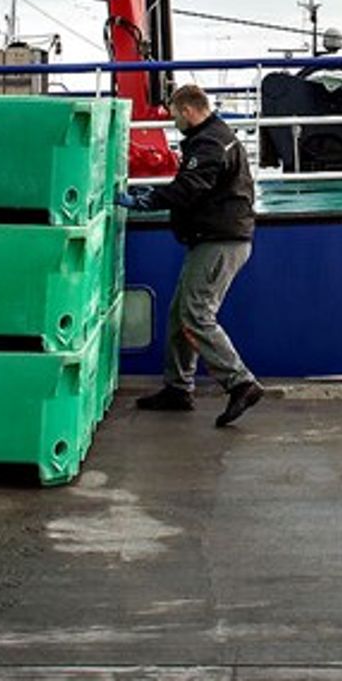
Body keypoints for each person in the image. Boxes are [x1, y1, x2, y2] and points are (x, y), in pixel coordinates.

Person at [125, 83, 266, 426]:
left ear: (188, 110)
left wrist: (147, 200)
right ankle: (177, 388)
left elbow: (192, 186)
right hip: (214, 237)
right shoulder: (212, 137)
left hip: (221, 241)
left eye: (174, 115)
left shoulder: (210, 143)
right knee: (179, 314)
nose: (173, 121)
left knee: (196, 314)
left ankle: (240, 382)